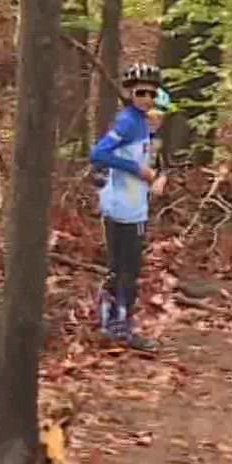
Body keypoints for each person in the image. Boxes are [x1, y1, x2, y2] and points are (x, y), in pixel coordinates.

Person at [89, 63, 168, 351]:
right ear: (130, 93)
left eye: (152, 92)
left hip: (133, 203)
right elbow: (98, 153)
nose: (147, 97)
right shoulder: (128, 122)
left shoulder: (143, 123)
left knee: (124, 268)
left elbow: (148, 160)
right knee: (126, 269)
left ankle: (113, 323)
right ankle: (120, 327)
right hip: (123, 206)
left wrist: (155, 177)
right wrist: (137, 170)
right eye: (141, 92)